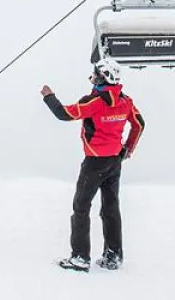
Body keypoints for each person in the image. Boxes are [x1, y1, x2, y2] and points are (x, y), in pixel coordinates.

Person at [41, 57, 145, 272]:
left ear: (103, 77)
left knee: (81, 206)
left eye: (96, 74)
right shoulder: (125, 101)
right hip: (114, 161)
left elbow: (64, 113)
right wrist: (127, 149)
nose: (93, 77)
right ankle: (113, 256)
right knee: (111, 207)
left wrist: (49, 96)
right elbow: (139, 124)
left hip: (95, 162)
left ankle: (80, 257)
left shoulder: (95, 102)